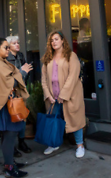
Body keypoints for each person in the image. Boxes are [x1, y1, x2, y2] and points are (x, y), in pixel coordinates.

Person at [0, 37, 30, 178]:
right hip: (6, 106)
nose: (8, 49)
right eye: (6, 47)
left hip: (5, 104)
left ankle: (10, 162)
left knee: (8, 136)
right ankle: (10, 167)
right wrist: (22, 72)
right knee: (9, 136)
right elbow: (11, 83)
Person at [40, 31, 86, 159]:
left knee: (74, 120)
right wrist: (48, 94)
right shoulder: (47, 58)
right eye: (51, 40)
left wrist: (63, 95)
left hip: (69, 96)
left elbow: (73, 77)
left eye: (56, 39)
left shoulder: (71, 56)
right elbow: (43, 79)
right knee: (54, 121)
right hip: (53, 98)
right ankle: (54, 144)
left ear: (62, 41)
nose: (53, 42)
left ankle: (80, 146)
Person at [5, 36, 32, 156]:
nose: (17, 44)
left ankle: (22, 142)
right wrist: (22, 71)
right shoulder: (6, 58)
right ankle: (13, 146)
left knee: (22, 117)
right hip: (11, 92)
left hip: (22, 89)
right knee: (12, 117)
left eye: (18, 42)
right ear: (9, 46)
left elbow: (26, 72)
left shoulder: (20, 55)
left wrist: (26, 75)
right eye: (14, 43)